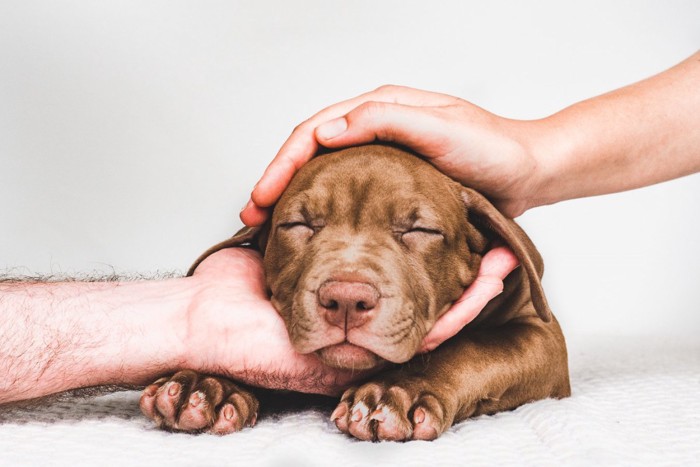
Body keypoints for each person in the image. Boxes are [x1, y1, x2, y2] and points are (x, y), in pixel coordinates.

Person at [1, 52, 698, 406]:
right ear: (253, 251)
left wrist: (434, 382)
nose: (347, 286)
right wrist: (218, 369)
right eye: (302, 223)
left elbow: (542, 349)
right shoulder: (247, 277)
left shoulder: (494, 268)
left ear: (487, 248)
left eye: (417, 229)